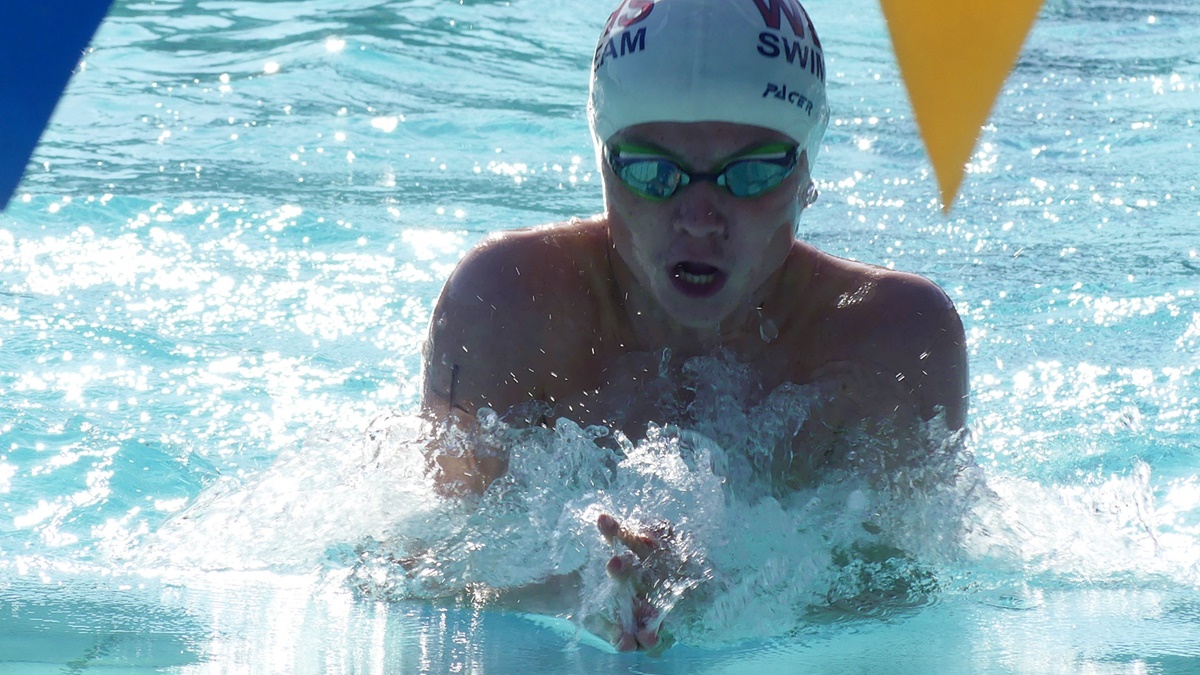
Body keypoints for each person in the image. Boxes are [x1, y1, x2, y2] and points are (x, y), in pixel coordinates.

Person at [419, 0, 968, 651]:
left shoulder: (890, 338)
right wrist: (585, 593)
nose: (702, 217)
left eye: (753, 171)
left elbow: (910, 599)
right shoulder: (506, 307)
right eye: (653, 171)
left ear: (805, 170)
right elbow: (431, 571)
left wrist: (729, 599)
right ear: (602, 160)